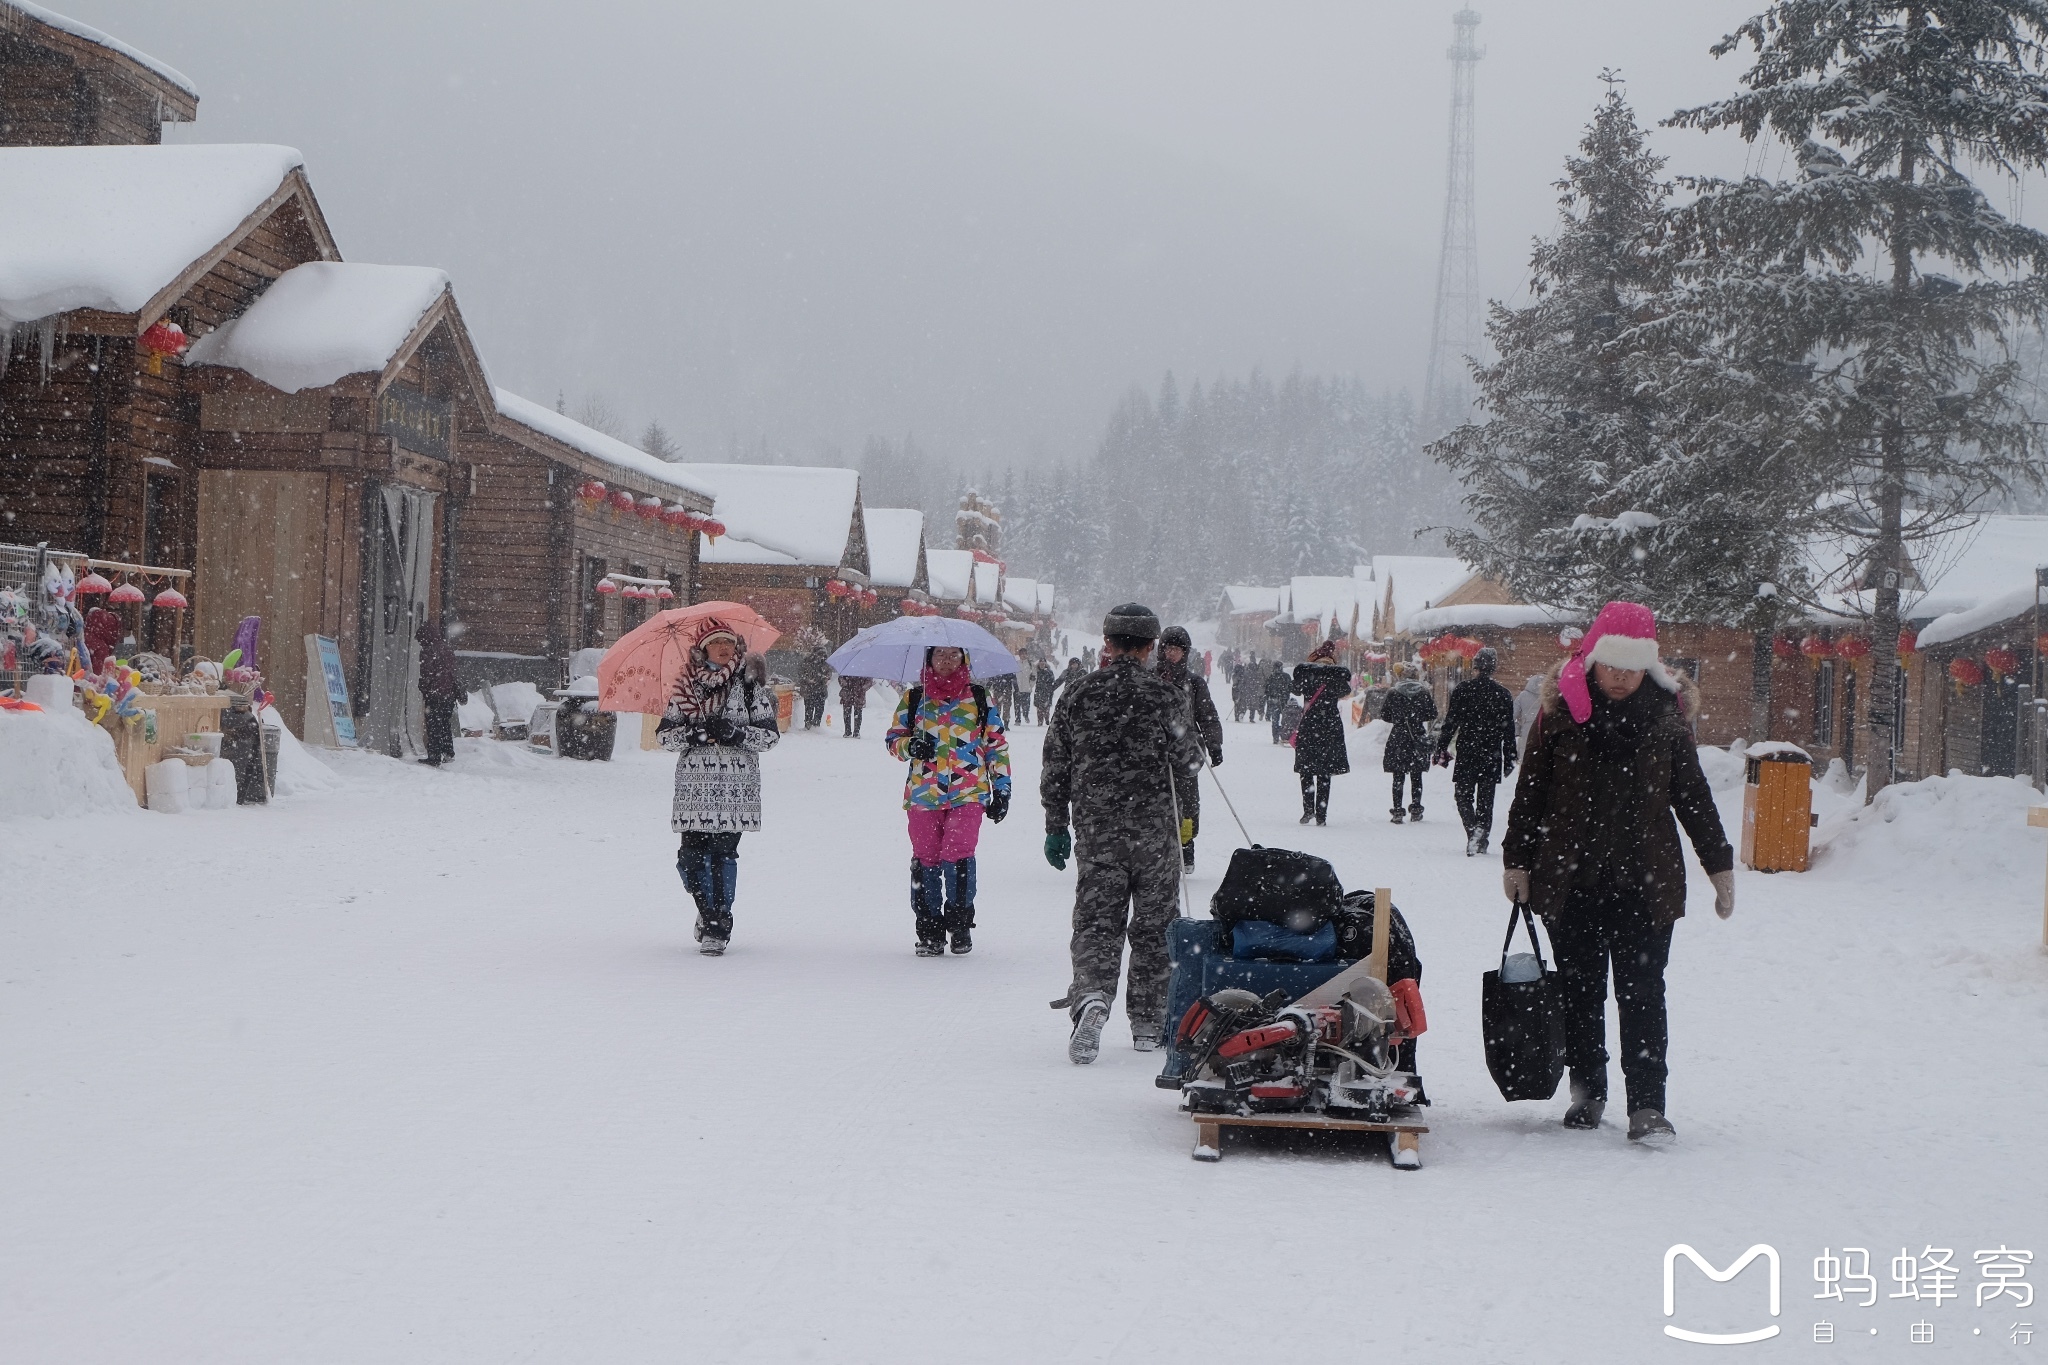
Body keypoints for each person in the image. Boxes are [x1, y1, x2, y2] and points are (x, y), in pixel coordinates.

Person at [1502, 601, 1735, 1145]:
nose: (1621, 678)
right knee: (1581, 993)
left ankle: (1648, 1106)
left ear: (1648, 667)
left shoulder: (1667, 717)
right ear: (1594, 660)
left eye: (1633, 668)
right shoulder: (1557, 712)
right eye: (1613, 666)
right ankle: (1589, 1093)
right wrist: (1517, 858)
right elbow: (1530, 792)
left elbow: (1693, 796)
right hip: (1571, 882)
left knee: (1643, 995)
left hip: (1645, 885)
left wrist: (1718, 864)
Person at [1042, 603, 1202, 1063]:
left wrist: (1056, 824)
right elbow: (1190, 762)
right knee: (1154, 927)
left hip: (1098, 831)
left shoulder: (1078, 694)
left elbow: (1056, 764)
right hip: (1154, 834)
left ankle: (1092, 996)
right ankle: (1149, 1021)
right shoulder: (1165, 695)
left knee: (1097, 922)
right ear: (1152, 646)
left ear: (1107, 644)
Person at [658, 625, 781, 955]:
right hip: (694, 789)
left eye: (729, 641)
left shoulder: (749, 684)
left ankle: (717, 924)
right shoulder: (686, 686)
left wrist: (736, 734)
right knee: (690, 858)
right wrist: (694, 735)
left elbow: (769, 737)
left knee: (722, 855)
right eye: (716, 643)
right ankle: (705, 908)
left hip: (735, 788)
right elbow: (664, 737)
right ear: (703, 650)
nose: (724, 647)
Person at [885, 647, 1011, 955]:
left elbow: (995, 744)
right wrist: (911, 746)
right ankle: (929, 928)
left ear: (964, 659)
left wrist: (1002, 787)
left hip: (968, 791)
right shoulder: (915, 698)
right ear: (928, 659)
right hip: (924, 793)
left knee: (957, 854)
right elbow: (893, 740)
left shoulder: (979, 698)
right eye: (939, 655)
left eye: (954, 655)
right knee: (926, 858)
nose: (946, 661)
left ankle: (959, 924)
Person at [1434, 646, 1519, 856]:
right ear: (1493, 667)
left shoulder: (1463, 690)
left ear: (1476, 666)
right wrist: (1509, 756)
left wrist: (1441, 746)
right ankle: (1480, 834)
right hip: (1491, 752)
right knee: (1486, 799)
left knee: (1463, 795)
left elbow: (1451, 721)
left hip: (1468, 750)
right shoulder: (1502, 694)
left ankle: (1473, 831)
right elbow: (1509, 729)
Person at [1157, 625, 1224, 869]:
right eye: (1169, 648)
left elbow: (1207, 715)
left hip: (1187, 753)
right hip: (1155, 753)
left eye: (1178, 649)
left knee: (1188, 804)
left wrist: (1214, 743)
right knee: (1156, 802)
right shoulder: (1151, 679)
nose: (1172, 653)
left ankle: (1186, 847)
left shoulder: (1194, 683)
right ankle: (1159, 848)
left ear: (1186, 653)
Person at [1290, 640, 1351, 825]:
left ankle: (1308, 810)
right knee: (1325, 772)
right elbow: (1346, 690)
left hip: (1309, 726)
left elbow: (1295, 688)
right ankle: (1321, 814)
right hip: (1329, 727)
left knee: (1306, 770)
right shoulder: (1336, 677)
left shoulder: (1308, 676)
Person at [1381, 661, 1437, 824]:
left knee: (1398, 775)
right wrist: (1417, 717)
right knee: (1416, 774)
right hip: (1417, 735)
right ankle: (1416, 809)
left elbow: (1384, 714)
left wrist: (1398, 718)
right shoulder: (1424, 692)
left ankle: (1397, 810)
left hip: (1399, 736)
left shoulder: (1393, 692)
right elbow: (1432, 713)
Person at [414, 618, 462, 766]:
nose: (420, 643)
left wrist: (423, 688)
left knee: (433, 725)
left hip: (435, 694)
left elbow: (427, 674)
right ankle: (448, 752)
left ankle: (434, 757)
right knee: (444, 724)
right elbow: (453, 672)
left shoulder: (428, 651)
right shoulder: (446, 648)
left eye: (421, 640)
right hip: (449, 694)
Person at [796, 640, 830, 730]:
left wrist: (826, 678)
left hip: (821, 689)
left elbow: (828, 673)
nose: (821, 657)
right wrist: (808, 680)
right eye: (820, 655)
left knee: (819, 708)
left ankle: (816, 725)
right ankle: (808, 725)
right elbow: (801, 674)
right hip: (809, 689)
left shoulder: (825, 663)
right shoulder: (807, 662)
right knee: (809, 708)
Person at [1515, 673, 1546, 755]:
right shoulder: (1547, 696)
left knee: (1525, 757)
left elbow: (1513, 715)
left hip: (1526, 730)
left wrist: (1517, 731)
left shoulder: (1522, 696)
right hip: (1542, 730)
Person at [1262, 660, 1292, 744]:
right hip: (1284, 701)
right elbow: (1291, 687)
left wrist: (1270, 696)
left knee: (1275, 720)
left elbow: (1266, 689)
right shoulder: (1286, 676)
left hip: (1274, 701)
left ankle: (1275, 737)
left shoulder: (1271, 677)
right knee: (1285, 720)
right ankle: (1284, 735)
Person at [838, 672, 872, 738]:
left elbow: (869, 682)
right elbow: (840, 678)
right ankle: (848, 731)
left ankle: (856, 731)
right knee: (847, 712)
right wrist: (846, 684)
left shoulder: (863, 670)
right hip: (849, 692)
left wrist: (862, 688)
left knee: (858, 712)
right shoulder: (849, 668)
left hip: (858, 693)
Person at [1032, 659, 1058, 728]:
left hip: (1047, 691)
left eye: (1043, 663)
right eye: (1041, 663)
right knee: (1039, 707)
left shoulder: (1049, 672)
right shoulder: (1036, 671)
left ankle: (1046, 718)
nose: (1042, 664)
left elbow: (1052, 680)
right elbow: (1033, 679)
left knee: (1046, 707)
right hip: (1038, 691)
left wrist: (1049, 687)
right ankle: (1040, 721)